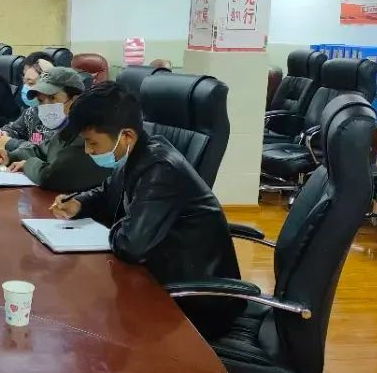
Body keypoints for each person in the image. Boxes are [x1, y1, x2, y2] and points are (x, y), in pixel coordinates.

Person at [50, 82, 244, 338]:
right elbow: (108, 192)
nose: (88, 151)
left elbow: (131, 245)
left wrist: (120, 225)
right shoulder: (136, 153)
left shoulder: (161, 169)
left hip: (197, 302)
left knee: (93, 323)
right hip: (159, 276)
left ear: (126, 136)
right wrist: (80, 203)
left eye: (92, 142)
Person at [0, 67, 109, 193]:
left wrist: (28, 164)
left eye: (52, 98)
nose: (45, 106)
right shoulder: (67, 129)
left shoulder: (88, 131)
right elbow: (41, 150)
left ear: (75, 100)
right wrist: (11, 156)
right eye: (41, 100)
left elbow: (52, 176)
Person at [0, 51, 58, 152]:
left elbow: (43, 151)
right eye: (24, 82)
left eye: (31, 83)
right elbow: (13, 128)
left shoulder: (60, 115)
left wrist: (9, 142)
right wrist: (4, 134)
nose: (26, 87)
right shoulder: (32, 110)